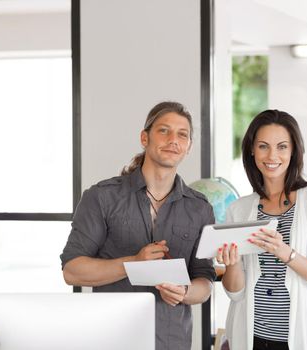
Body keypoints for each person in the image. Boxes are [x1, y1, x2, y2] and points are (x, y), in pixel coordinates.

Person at [60, 101, 216, 350]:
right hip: (111, 338)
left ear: (189, 147)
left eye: (182, 134)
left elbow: (205, 281)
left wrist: (184, 292)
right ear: (145, 138)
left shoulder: (200, 208)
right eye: (163, 130)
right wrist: (133, 263)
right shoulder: (101, 197)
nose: (173, 139)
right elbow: (72, 271)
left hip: (172, 341)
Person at [217, 110, 307, 350]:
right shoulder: (239, 209)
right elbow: (235, 294)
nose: (272, 155)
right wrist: (232, 263)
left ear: (294, 150)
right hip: (251, 338)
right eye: (263, 146)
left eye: (282, 146)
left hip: (299, 340)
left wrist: (285, 252)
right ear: (252, 150)